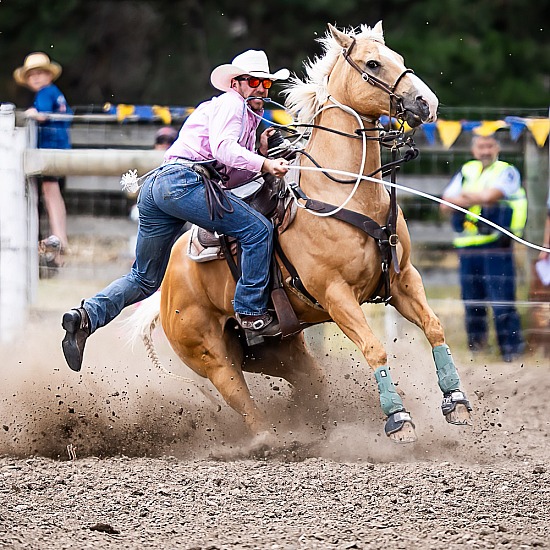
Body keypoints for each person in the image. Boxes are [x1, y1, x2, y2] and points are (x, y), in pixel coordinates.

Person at [61, 49, 290, 372]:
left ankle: (85, 316)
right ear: (236, 83)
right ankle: (252, 313)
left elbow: (228, 169)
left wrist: (259, 160)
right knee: (257, 230)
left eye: (266, 85)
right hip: (184, 184)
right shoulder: (231, 104)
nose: (261, 90)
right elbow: (225, 150)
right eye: (254, 82)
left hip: (160, 187)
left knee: (143, 278)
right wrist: (264, 162)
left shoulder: (235, 112)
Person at [440, 134, 527, 362]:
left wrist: (464, 197)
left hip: (497, 248)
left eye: (489, 145)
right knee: (472, 302)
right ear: (474, 150)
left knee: (502, 301)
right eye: (481, 146)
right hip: (468, 249)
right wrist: (474, 198)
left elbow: (492, 196)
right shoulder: (467, 170)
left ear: (497, 147)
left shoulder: (506, 171)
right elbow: (444, 204)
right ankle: (477, 353)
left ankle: (512, 352)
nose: (485, 150)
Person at [13, 52, 72, 265]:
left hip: (50, 150)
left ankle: (59, 238)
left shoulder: (45, 95)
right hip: (58, 148)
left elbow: (43, 114)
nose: (36, 78)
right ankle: (58, 238)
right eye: (32, 75)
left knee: (50, 191)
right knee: (51, 191)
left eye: (40, 73)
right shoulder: (55, 93)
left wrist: (31, 113)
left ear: (49, 75)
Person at [128, 126, 179, 222]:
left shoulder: (182, 162)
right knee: (137, 212)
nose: (165, 144)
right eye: (161, 140)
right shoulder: (146, 161)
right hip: (150, 205)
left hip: (174, 206)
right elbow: (131, 193)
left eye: (169, 141)